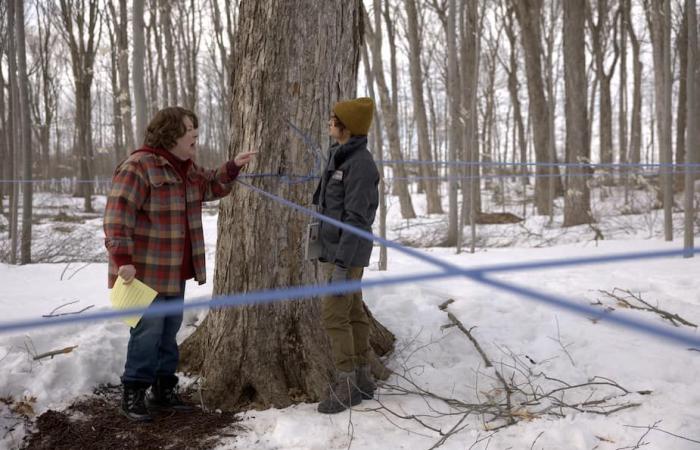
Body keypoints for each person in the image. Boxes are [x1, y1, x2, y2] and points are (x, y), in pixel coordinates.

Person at [104, 106, 256, 421]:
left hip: (174, 272)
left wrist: (232, 167)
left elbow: (211, 185)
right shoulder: (138, 166)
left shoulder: (186, 168)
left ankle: (164, 389)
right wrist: (122, 260)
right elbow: (117, 217)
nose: (196, 139)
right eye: (192, 133)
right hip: (143, 272)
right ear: (172, 134)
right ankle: (133, 391)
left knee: (169, 331)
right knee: (147, 332)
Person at [312, 97, 380, 414]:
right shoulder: (340, 157)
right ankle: (363, 379)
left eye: (333, 119)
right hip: (339, 251)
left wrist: (341, 264)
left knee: (333, 315)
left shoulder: (361, 164)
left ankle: (347, 384)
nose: (329, 123)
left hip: (348, 254)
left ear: (346, 127)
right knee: (352, 311)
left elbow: (356, 219)